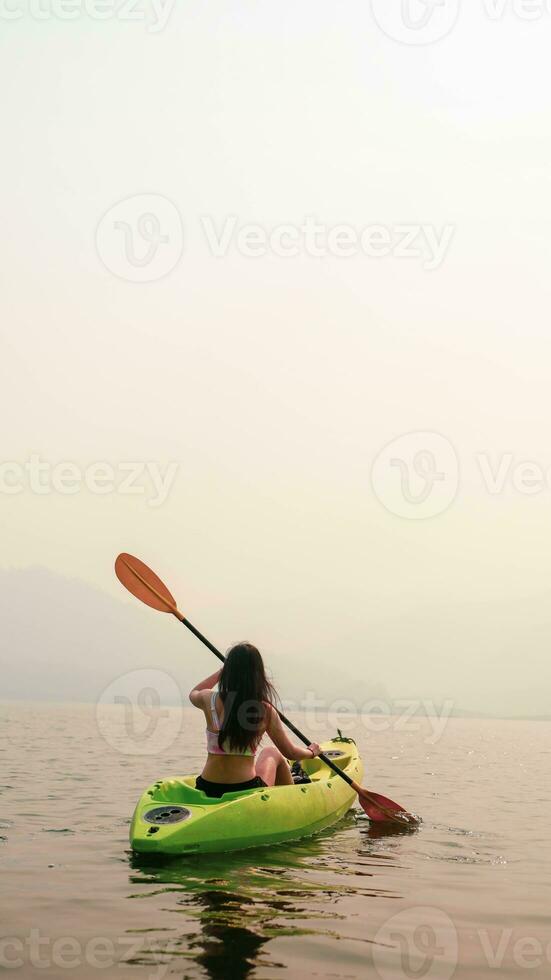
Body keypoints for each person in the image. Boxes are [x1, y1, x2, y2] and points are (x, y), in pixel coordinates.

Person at [189, 642, 321, 798]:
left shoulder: (208, 699)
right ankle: (294, 800)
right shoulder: (265, 711)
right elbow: (290, 752)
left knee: (269, 753)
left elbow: (194, 692)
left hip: (206, 786)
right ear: (257, 674)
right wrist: (311, 752)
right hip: (245, 790)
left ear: (228, 671)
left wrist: (223, 670)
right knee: (271, 752)